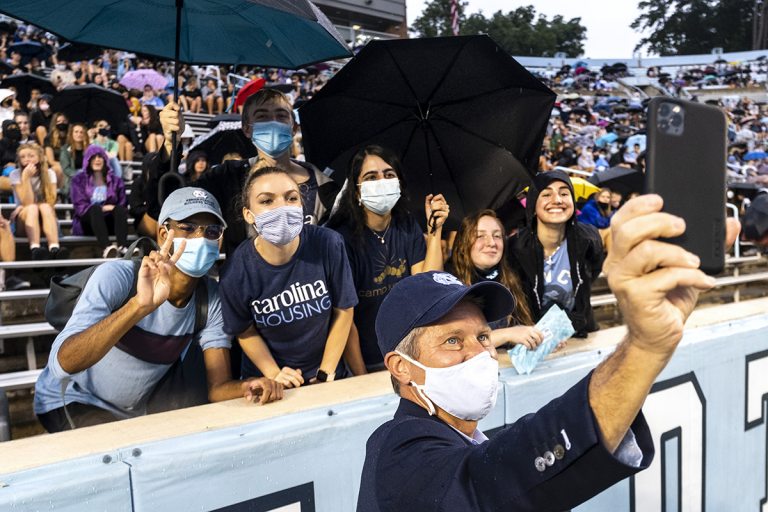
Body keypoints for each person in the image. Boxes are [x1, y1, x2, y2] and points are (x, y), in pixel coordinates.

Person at [357, 199, 740, 511]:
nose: (479, 355)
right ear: (401, 368)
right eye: (453, 341)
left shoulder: (462, 436)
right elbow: (497, 480)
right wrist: (643, 346)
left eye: (485, 337)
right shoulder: (398, 449)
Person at [33, 187, 283, 432]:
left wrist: (248, 386)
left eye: (212, 231)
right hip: (70, 400)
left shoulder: (210, 299)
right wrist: (138, 306)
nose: (200, 238)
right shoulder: (118, 277)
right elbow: (62, 364)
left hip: (129, 415)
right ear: (164, 234)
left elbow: (217, 387)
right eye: (187, 228)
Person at [158, 88, 340, 256]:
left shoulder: (325, 185)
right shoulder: (227, 177)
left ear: (293, 127)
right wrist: (169, 144)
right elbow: (172, 203)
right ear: (246, 128)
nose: (273, 123)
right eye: (262, 117)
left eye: (281, 116)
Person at [219, 167, 357, 387]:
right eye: (266, 201)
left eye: (291, 198)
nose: (281, 207)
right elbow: (244, 331)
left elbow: (344, 310)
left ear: (302, 205)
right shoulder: (235, 271)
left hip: (328, 377)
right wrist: (274, 375)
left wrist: (325, 372)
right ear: (248, 214)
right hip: (269, 384)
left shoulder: (329, 243)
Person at [326, 145, 449, 373]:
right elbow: (346, 318)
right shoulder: (342, 239)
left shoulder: (406, 224)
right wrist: (360, 376)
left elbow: (426, 286)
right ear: (356, 191)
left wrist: (435, 232)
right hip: (366, 358)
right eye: (371, 177)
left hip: (408, 353)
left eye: (389, 174)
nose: (382, 181)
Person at [507, 170, 603, 337]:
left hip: (578, 332)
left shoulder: (588, 239)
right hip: (531, 340)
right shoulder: (515, 246)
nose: (557, 200)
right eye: (546, 194)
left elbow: (593, 271)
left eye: (564, 193)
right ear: (533, 205)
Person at [445, 209, 543, 349]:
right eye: (480, 236)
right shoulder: (451, 284)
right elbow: (458, 342)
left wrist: (538, 337)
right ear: (463, 243)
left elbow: (522, 329)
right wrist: (507, 335)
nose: (491, 243)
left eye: (497, 236)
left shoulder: (511, 278)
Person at [70, 145, 129, 258]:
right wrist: (102, 208)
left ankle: (123, 246)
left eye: (100, 157)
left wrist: (113, 208)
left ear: (105, 160)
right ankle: (107, 247)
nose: (97, 159)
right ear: (88, 160)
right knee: (95, 209)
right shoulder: (78, 180)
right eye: (93, 157)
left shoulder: (116, 181)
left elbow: (122, 203)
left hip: (108, 222)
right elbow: (80, 206)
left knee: (120, 209)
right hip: (88, 223)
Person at [9, 143, 66, 260]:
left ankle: (54, 248)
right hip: (23, 222)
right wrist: (25, 178)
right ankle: (35, 249)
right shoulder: (15, 174)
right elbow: (28, 202)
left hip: (46, 218)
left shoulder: (49, 173)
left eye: (30, 156)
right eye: (23, 157)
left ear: (39, 157)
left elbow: (51, 201)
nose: (26, 159)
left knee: (45, 207)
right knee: (32, 208)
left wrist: (34, 205)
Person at [59, 122, 90, 195]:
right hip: (72, 179)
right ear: (71, 134)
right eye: (76, 132)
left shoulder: (90, 149)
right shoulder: (65, 150)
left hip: (88, 178)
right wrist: (79, 174)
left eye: (81, 132)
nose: (79, 134)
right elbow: (66, 169)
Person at [43, 112, 69, 184]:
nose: (62, 123)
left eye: (64, 121)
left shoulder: (72, 136)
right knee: (58, 169)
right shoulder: (49, 138)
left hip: (71, 164)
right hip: (57, 165)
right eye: (59, 121)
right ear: (54, 123)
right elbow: (51, 161)